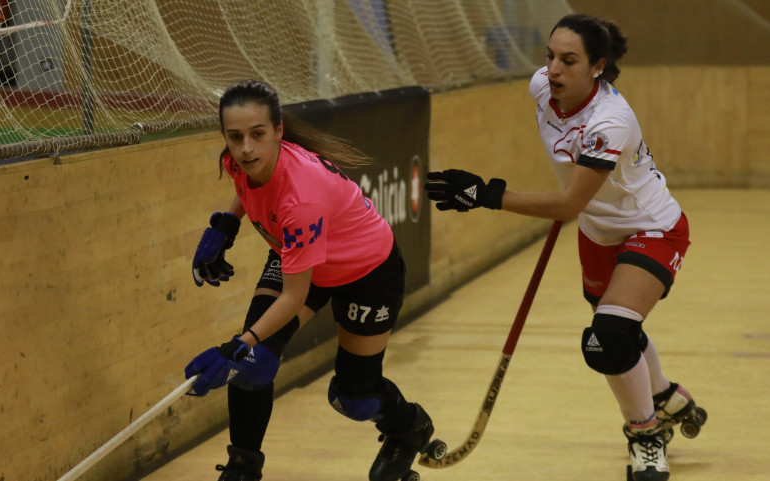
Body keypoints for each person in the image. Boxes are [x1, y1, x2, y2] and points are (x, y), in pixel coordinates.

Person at [425, 13, 705, 481]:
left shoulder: (611, 121)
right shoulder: (543, 87)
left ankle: (646, 434)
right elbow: (579, 202)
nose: (552, 69)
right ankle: (667, 397)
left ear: (597, 66)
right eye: (550, 57)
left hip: (651, 226)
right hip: (599, 230)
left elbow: (567, 202)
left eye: (568, 60)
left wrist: (485, 194)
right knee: (620, 329)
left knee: (607, 339)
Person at [184, 79, 439, 481]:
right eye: (234, 137)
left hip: (366, 270)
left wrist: (237, 345)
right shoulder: (237, 158)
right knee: (255, 365)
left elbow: (293, 295)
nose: (246, 147)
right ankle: (242, 467)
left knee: (353, 398)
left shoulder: (300, 197)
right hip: (301, 257)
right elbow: (247, 187)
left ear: (279, 131)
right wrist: (227, 223)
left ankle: (409, 428)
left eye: (257, 135)